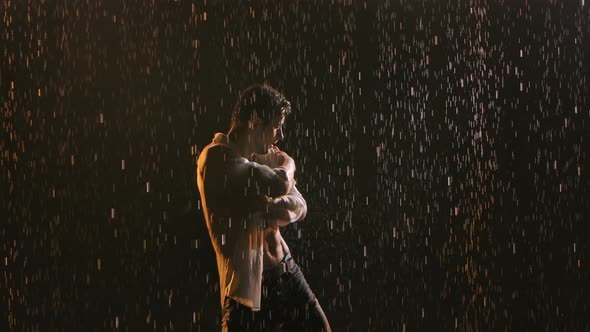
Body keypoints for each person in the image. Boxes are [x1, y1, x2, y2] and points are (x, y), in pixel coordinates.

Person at [196, 84, 331, 331]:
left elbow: (301, 206)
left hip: (287, 272)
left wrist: (270, 206)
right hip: (249, 291)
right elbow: (281, 183)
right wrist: (288, 164)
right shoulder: (216, 158)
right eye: (276, 126)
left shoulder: (262, 158)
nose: (280, 136)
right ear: (254, 120)